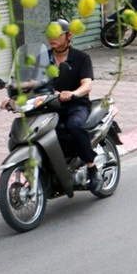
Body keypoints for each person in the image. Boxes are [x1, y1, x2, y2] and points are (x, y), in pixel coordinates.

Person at [48, 19, 100, 193]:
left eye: (57, 34)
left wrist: (73, 93)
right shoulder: (43, 58)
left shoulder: (81, 57)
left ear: (68, 36)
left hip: (76, 105)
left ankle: (92, 167)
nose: (52, 38)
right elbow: (31, 81)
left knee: (73, 125)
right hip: (49, 106)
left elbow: (87, 84)